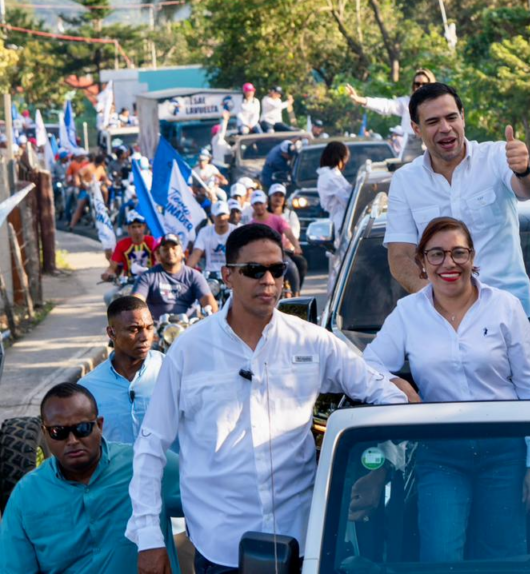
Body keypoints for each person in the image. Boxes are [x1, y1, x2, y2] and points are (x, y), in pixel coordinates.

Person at [126, 223, 409, 573]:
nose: (269, 280)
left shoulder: (310, 342)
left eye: (277, 269)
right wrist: (149, 538)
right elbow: (151, 446)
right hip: (221, 545)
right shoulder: (189, 351)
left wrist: (378, 468)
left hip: (304, 540)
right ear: (228, 276)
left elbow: (388, 397)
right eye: (255, 270)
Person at [363, 217, 530, 562]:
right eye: (436, 254)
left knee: (504, 559)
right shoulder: (408, 313)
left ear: (473, 257)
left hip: (505, 451)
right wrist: (397, 383)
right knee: (440, 556)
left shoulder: (505, 306)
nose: (448, 263)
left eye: (458, 253)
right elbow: (366, 366)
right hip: (441, 454)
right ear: (421, 262)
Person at [384, 82, 530, 339]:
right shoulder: (405, 181)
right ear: (416, 128)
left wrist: (525, 169)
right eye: (433, 121)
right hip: (442, 326)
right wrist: (442, 301)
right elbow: (400, 257)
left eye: (451, 117)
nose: (445, 128)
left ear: (463, 117)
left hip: (512, 318)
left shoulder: (495, 157)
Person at [0, 383, 182, 574]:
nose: (72, 440)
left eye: (82, 428)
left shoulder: (146, 466)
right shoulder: (26, 495)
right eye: (58, 432)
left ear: (100, 425)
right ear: (45, 434)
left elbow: (208, 499)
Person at [80, 296, 163, 445]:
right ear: (111, 333)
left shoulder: (172, 371)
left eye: (149, 327)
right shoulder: (88, 388)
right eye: (134, 329)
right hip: (116, 469)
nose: (145, 337)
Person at [345, 68, 435, 158]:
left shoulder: (437, 103)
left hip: (434, 145)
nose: (420, 87)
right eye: (417, 84)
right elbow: (386, 105)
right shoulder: (407, 103)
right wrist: (361, 100)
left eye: (424, 84)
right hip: (412, 147)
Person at [131, 234, 217, 320]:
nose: (170, 252)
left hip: (189, 328)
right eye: (165, 249)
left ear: (184, 253)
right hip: (156, 328)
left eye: (174, 248)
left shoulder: (194, 276)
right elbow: (136, 303)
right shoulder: (147, 276)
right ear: (159, 254)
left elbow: (210, 304)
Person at [249, 190, 304, 293]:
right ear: (252, 206)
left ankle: (296, 295)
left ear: (265, 203)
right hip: (259, 258)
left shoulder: (277, 219)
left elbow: (289, 233)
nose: (259, 206)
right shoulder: (251, 225)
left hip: (278, 255)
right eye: (256, 204)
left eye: (260, 203)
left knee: (291, 268)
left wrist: (296, 246)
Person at [102, 212, 158, 304]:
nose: (137, 230)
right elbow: (112, 267)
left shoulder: (153, 241)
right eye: (133, 227)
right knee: (108, 297)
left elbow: (159, 261)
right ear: (128, 229)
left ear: (144, 227)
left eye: (139, 226)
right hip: (129, 282)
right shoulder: (121, 244)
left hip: (151, 282)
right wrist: (107, 274)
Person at [268, 183, 307, 289]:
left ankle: (296, 292)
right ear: (269, 197)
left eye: (281, 195)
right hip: (267, 251)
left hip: (286, 251)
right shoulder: (265, 216)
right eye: (275, 195)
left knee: (301, 263)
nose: (278, 198)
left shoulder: (290, 215)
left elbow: (293, 234)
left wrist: (294, 247)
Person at [188, 201, 238, 276]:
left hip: (231, 274)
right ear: (212, 216)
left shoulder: (236, 231)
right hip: (211, 275)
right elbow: (196, 254)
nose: (221, 218)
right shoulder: (204, 231)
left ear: (228, 215)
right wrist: (185, 271)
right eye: (218, 215)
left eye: (223, 214)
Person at [316, 140, 352, 235]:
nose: (346, 161)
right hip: (341, 221)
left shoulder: (332, 174)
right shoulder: (330, 177)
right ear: (339, 157)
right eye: (345, 157)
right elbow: (348, 200)